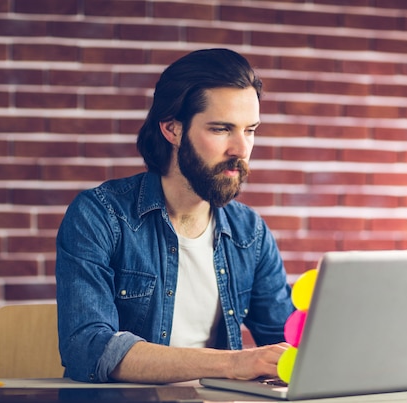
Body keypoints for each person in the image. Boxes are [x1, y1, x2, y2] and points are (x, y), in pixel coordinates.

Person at [55, 48, 295, 384]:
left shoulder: (250, 233)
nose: (241, 149)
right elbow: (88, 349)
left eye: (250, 130)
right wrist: (232, 364)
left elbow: (287, 342)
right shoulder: (100, 215)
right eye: (222, 129)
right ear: (172, 129)